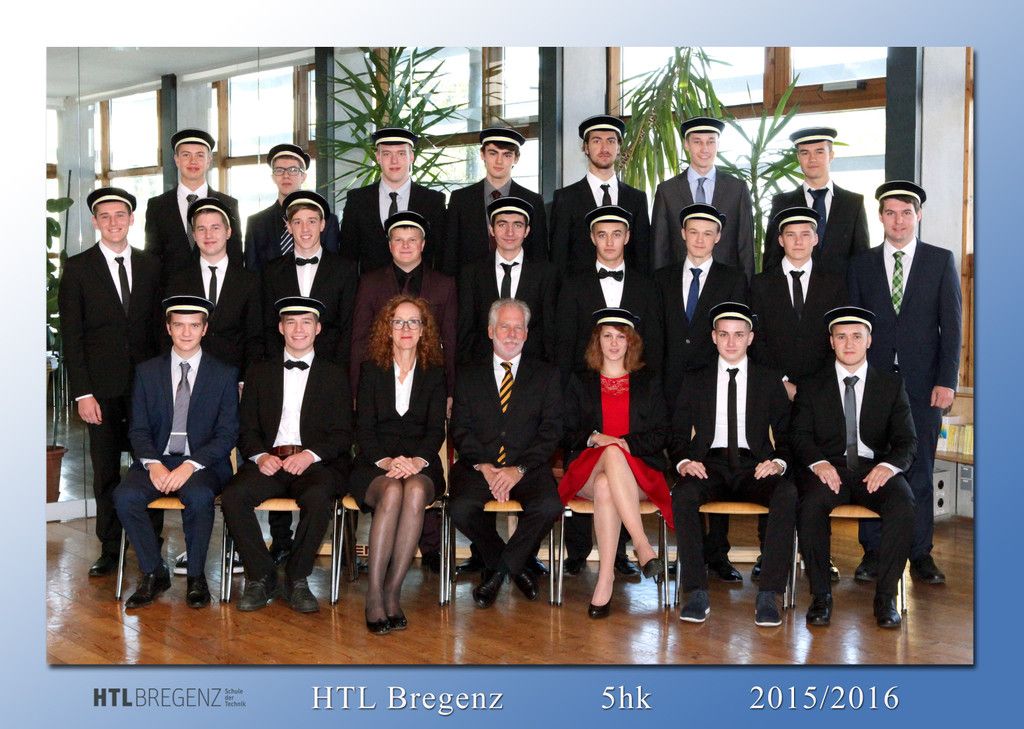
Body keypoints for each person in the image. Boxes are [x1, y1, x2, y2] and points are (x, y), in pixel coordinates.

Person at [847, 181, 962, 585]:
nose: (898, 221)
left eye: (906, 213)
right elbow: (852, 327)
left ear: (918, 216)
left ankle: (921, 553)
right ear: (881, 217)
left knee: (921, 470)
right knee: (872, 467)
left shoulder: (939, 261)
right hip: (872, 385)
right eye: (891, 213)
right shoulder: (861, 264)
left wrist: (947, 381)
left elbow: (952, 327)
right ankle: (873, 552)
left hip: (924, 385)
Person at [220, 296, 352, 614]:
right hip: (270, 461)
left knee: (319, 497)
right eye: (291, 322)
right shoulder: (259, 372)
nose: (298, 329)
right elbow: (246, 429)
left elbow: (343, 433)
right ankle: (261, 575)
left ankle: (297, 577)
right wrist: (260, 456)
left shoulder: (335, 374)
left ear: (318, 329)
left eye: (306, 322)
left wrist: (310, 455)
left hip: (313, 464)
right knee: (234, 496)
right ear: (280, 328)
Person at [58, 187, 163, 577]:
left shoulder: (151, 265)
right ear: (95, 222)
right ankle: (110, 546)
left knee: (150, 465)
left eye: (121, 215)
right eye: (105, 216)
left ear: (131, 219)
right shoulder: (78, 268)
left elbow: (160, 329)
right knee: (105, 471)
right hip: (100, 391)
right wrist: (83, 393)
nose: (114, 222)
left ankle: (150, 543)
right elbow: (72, 337)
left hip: (147, 389)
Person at [670, 302, 796, 627]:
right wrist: (684, 461)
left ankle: (770, 593)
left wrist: (778, 462)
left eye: (738, 334)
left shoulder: (768, 379)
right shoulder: (695, 379)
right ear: (713, 337)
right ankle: (695, 591)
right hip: (709, 464)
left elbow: (787, 433)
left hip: (754, 465)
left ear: (750, 338)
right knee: (682, 494)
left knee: (786, 494)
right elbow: (677, 433)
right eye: (724, 334)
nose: (730, 342)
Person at [792, 306, 917, 629]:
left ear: (869, 341)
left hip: (873, 469)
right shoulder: (812, 385)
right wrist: (819, 463)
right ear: (831, 341)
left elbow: (907, 441)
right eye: (841, 337)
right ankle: (821, 596)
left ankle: (886, 597)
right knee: (810, 504)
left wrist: (889, 466)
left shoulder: (890, 385)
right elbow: (799, 435)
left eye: (857, 337)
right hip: (830, 469)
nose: (849, 344)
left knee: (903, 502)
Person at [555, 205, 663, 577]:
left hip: (631, 390)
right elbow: (565, 345)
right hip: (588, 393)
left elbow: (654, 344)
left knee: (610, 470)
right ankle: (583, 551)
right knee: (602, 457)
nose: (610, 241)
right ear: (592, 238)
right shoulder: (573, 284)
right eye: (602, 234)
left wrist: (642, 384)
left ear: (628, 237)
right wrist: (575, 394)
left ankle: (618, 558)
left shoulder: (646, 286)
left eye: (617, 234)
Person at [112, 295, 239, 609]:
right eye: (179, 325)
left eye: (193, 325)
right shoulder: (147, 372)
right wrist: (153, 464)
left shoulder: (224, 374)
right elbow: (138, 429)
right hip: (157, 459)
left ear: (204, 329)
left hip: (203, 463)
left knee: (198, 496)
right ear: (168, 328)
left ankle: (196, 575)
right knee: (125, 496)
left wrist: (190, 465)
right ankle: (154, 571)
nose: (186, 332)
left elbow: (227, 434)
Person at [164, 196, 263, 576]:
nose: (208, 235)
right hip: (191, 384)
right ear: (193, 234)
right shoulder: (178, 278)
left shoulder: (249, 279)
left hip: (236, 384)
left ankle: (237, 546)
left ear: (229, 232)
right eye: (201, 229)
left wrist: (245, 381)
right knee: (194, 462)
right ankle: (193, 547)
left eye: (215, 227)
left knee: (240, 466)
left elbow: (256, 337)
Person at [748, 206, 847, 583]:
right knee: (771, 467)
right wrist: (782, 383)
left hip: (821, 396)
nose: (799, 241)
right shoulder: (761, 284)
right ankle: (768, 552)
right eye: (791, 235)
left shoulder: (834, 283)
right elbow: (756, 342)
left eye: (806, 234)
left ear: (816, 239)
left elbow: (838, 339)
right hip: (774, 394)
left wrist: (809, 388)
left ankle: (820, 553)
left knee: (818, 471)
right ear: (780, 240)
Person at [260, 190, 358, 560]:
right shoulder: (272, 270)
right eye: (297, 222)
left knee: (323, 459)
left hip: (328, 378)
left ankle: (320, 544)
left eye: (312, 221)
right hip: (282, 374)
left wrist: (338, 378)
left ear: (324, 225)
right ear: (287, 226)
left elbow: (348, 328)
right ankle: (280, 541)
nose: (304, 228)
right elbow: (267, 328)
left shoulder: (345, 268)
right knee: (278, 443)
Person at [654, 203, 748, 583]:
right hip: (669, 387)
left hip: (714, 387)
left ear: (718, 237)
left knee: (718, 460)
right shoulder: (661, 278)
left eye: (708, 233)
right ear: (682, 234)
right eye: (693, 231)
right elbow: (656, 336)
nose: (699, 239)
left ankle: (718, 553)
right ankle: (685, 554)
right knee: (679, 468)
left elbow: (735, 336)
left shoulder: (733, 279)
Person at [449, 299, 564, 608]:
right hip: (479, 466)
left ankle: (499, 572)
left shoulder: (547, 374)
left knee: (549, 506)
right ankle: (515, 565)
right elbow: (460, 429)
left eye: (518, 328)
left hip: (528, 468)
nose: (512, 334)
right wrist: (485, 466)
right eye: (504, 326)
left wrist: (519, 469)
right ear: (490, 331)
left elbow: (551, 431)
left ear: (526, 333)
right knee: (460, 508)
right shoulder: (468, 374)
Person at [559, 308, 670, 617]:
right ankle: (642, 545)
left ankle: (605, 579)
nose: (613, 343)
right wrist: (596, 438)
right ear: (597, 341)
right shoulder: (580, 381)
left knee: (607, 482)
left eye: (621, 337)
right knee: (609, 454)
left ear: (631, 342)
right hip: (587, 468)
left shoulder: (648, 381)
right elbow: (564, 432)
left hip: (639, 472)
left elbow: (662, 433)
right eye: (607, 336)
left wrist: (625, 444)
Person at [351, 296, 447, 633]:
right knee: (392, 490)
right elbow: (363, 429)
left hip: (421, 463)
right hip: (375, 463)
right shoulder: (370, 370)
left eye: (413, 321)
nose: (406, 328)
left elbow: (436, 430)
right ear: (387, 329)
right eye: (398, 321)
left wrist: (416, 461)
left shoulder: (435, 373)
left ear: (423, 330)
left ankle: (393, 591)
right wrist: (388, 461)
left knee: (416, 490)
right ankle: (374, 594)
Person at [457, 196, 559, 365]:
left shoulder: (546, 274)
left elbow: (550, 330)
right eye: (502, 224)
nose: (509, 232)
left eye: (517, 225)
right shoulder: (472, 274)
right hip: (483, 369)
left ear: (527, 230)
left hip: (533, 369)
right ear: (491, 229)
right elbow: (466, 330)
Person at [650, 116, 754, 279]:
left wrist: (746, 289)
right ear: (686, 144)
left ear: (718, 144)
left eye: (711, 142)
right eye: (697, 142)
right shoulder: (667, 191)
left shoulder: (737, 189)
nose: (705, 149)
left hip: (726, 283)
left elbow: (746, 246)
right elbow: (659, 248)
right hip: (678, 283)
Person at [549, 114, 653, 275]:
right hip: (579, 289)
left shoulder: (637, 198)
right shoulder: (565, 198)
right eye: (597, 141)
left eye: (611, 141)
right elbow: (558, 259)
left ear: (619, 147)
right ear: (585, 147)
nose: (604, 148)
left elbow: (643, 257)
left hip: (627, 288)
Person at [338, 127, 447, 273]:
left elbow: (440, 255)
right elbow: (347, 257)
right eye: (387, 154)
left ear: (411, 156)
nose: (394, 161)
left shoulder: (433, 201)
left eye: (401, 153)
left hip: (420, 287)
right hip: (370, 286)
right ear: (378, 157)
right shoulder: (357, 200)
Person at [762, 127, 869, 275]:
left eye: (819, 152)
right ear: (798, 157)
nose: (812, 159)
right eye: (805, 153)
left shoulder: (853, 203)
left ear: (831, 155)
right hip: (795, 288)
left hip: (842, 288)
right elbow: (772, 259)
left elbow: (862, 260)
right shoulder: (782, 203)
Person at [442, 127, 549, 275]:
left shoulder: (532, 200)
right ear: (482, 154)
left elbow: (539, 254)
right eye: (493, 153)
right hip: (470, 283)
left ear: (516, 158)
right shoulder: (461, 199)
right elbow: (450, 252)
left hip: (519, 283)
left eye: (507, 154)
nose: (499, 161)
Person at [145, 128, 242, 287]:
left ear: (209, 160)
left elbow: (235, 255)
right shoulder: (157, 206)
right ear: (176, 160)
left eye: (200, 155)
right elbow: (152, 258)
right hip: (171, 293)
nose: (193, 161)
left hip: (216, 290)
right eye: (186, 155)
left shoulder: (228, 204)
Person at [243, 143, 341, 272]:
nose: (286, 175)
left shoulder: (328, 221)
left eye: (293, 170)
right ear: (273, 177)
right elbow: (251, 273)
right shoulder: (256, 223)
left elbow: (335, 269)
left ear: (303, 177)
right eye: (279, 170)